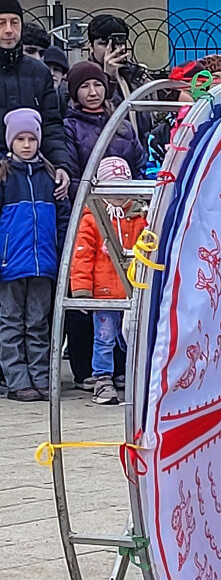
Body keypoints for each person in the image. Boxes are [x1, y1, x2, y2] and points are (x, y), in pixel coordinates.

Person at [0, 109, 69, 402]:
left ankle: (40, 377)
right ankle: (17, 379)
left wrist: (62, 252)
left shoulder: (52, 176)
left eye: (31, 138)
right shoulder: (4, 177)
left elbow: (64, 218)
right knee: (11, 322)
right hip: (10, 265)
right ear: (10, 141)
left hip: (44, 264)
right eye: (20, 139)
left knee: (39, 323)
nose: (26, 144)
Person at [69, 157, 147, 405]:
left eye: (122, 188)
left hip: (133, 291)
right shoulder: (92, 219)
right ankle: (102, 377)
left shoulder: (140, 216)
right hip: (104, 292)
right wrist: (81, 290)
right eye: (111, 188)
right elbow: (81, 255)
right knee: (104, 336)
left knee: (131, 335)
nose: (117, 194)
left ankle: (126, 372)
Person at [0, 0, 69, 196]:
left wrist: (60, 164)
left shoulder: (39, 72)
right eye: (1, 22)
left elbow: (51, 124)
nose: (8, 30)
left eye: (14, 22)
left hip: (33, 172)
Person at [61, 61, 146, 186]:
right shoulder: (70, 128)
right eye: (85, 86)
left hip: (127, 200)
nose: (93, 92)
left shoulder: (124, 126)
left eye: (98, 85)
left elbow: (139, 168)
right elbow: (74, 178)